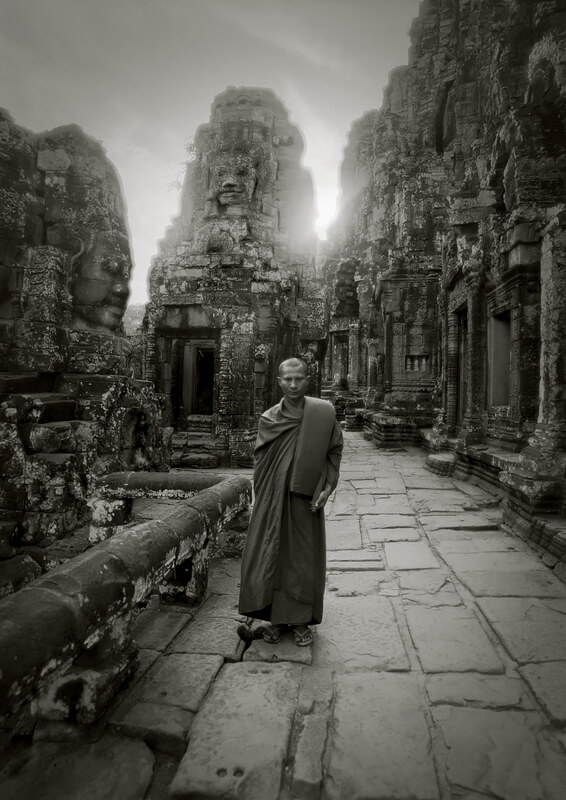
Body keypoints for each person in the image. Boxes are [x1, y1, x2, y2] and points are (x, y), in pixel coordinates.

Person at [238, 357, 343, 647]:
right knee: (270, 552)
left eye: (299, 378)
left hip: (304, 499)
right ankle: (272, 618)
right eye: (288, 379)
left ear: (307, 379)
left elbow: (334, 450)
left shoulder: (322, 414)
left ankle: (299, 620)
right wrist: (266, 496)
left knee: (302, 557)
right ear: (279, 381)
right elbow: (262, 464)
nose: (293, 384)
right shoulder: (269, 419)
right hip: (272, 500)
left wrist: (328, 486)